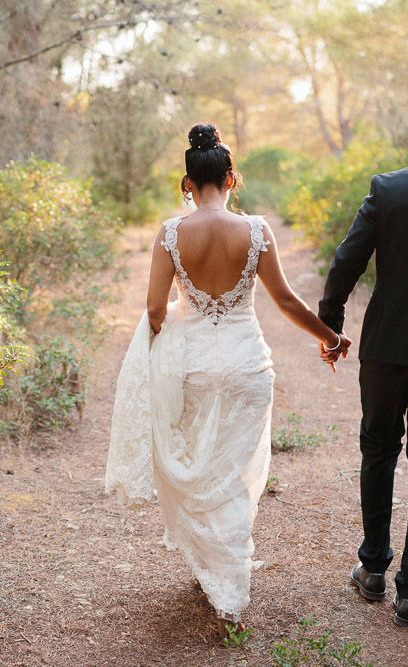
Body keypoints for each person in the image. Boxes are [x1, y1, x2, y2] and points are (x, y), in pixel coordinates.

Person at [105, 123, 350, 626]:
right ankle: (227, 575)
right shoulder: (256, 231)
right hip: (247, 367)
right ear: (232, 178)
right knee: (235, 476)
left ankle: (213, 568)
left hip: (194, 367)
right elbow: (284, 300)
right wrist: (329, 335)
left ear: (186, 185)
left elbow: (155, 310)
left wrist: (172, 334)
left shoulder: (171, 234)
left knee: (199, 464)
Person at [318, 166, 408, 627]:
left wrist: (330, 322)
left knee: (378, 449)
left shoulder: (389, 189)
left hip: (388, 345)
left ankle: (373, 568)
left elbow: (347, 259)